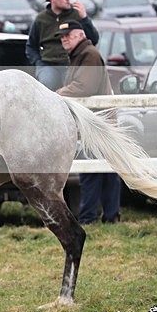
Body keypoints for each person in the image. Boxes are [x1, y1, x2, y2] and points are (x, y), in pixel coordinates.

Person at [54, 21, 121, 224]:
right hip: (99, 121)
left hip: (97, 123)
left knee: (91, 173)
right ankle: (110, 216)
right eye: (62, 36)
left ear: (81, 35)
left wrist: (56, 95)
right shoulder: (82, 54)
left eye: (68, 35)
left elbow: (84, 87)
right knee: (106, 173)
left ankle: (88, 218)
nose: (64, 38)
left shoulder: (88, 55)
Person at [26, 0, 99, 91]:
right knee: (47, 85)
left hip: (71, 63)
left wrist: (84, 18)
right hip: (48, 64)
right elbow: (31, 46)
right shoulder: (41, 19)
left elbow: (93, 39)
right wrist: (38, 62)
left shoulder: (76, 14)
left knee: (73, 88)